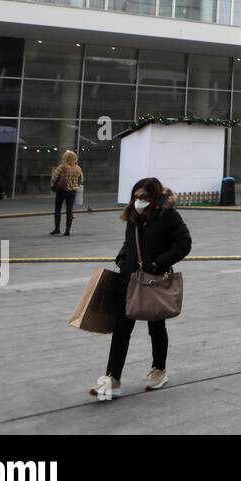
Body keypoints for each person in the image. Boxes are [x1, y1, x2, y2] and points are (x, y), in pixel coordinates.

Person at [91, 178, 192, 398]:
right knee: (121, 329)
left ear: (155, 197)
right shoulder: (134, 217)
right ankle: (112, 379)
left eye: (143, 197)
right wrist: (121, 258)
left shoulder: (169, 216)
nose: (138, 201)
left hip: (154, 280)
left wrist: (159, 263)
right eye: (136, 197)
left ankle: (159, 370)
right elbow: (129, 242)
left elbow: (184, 243)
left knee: (156, 326)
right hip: (129, 280)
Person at [50, 150, 83, 236]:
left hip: (61, 190)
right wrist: (75, 185)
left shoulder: (62, 167)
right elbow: (81, 180)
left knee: (58, 209)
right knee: (69, 210)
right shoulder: (78, 168)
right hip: (72, 191)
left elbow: (54, 178)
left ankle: (57, 228)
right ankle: (67, 230)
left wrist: (55, 184)